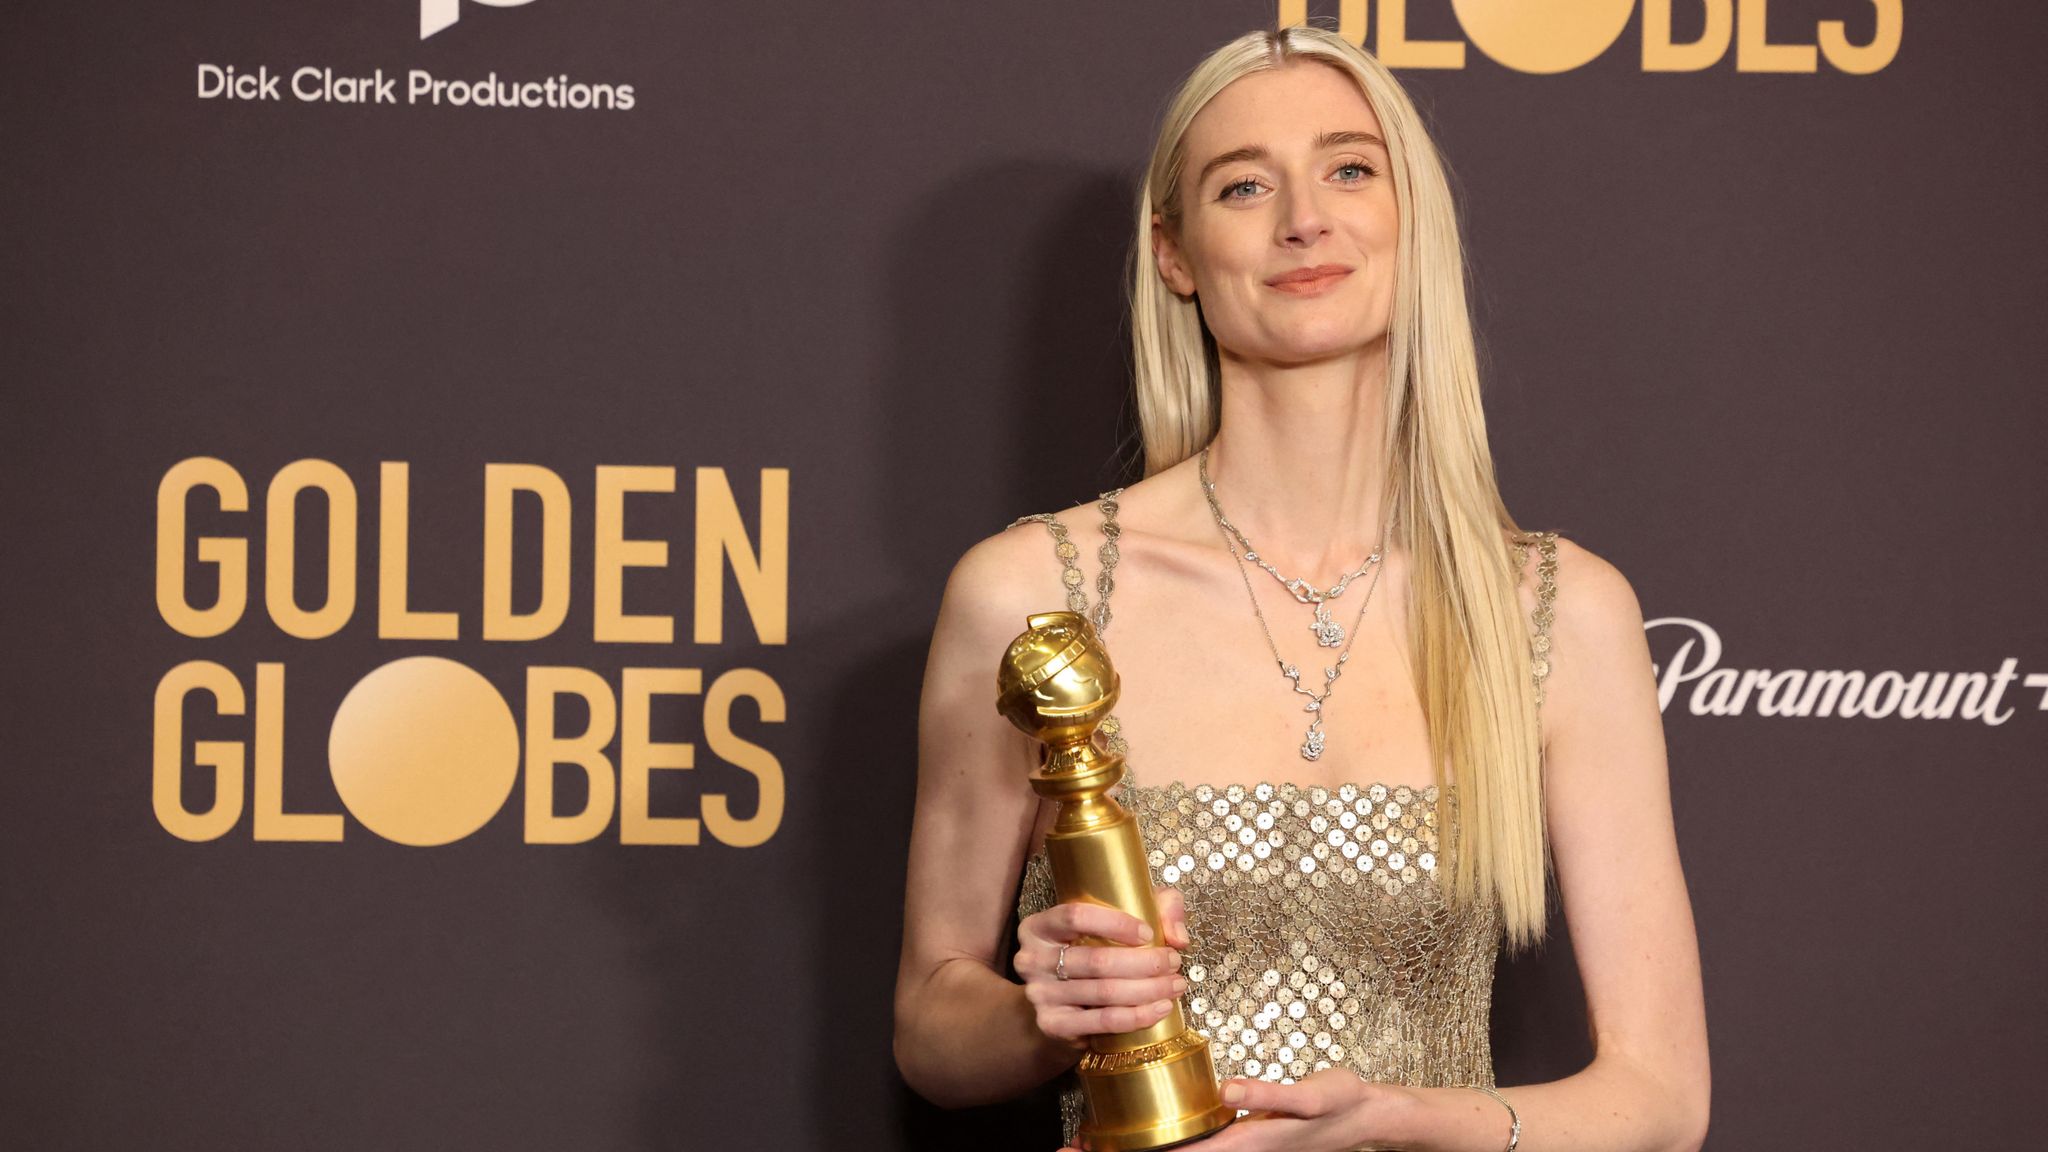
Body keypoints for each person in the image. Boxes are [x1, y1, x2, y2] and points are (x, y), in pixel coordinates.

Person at [893, 24, 1709, 1152]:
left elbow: (1660, 1098)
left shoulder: (1558, 613)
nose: (1302, 219)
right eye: (1241, 186)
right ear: (1174, 253)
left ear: (1408, 220)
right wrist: (1046, 1017)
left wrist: (1399, 1120)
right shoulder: (1034, 595)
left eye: (1347, 168)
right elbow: (931, 1031)